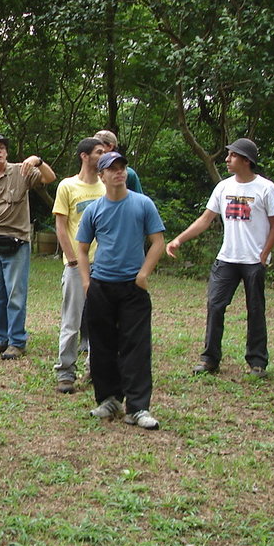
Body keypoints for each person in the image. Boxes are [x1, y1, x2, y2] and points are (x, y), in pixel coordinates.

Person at [166, 138, 274, 378]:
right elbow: (206, 219)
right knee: (215, 305)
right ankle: (210, 359)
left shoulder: (265, 188)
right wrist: (179, 239)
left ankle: (257, 362)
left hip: (253, 261)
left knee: (256, 310)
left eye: (232, 156)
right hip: (227, 258)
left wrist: (264, 254)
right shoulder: (223, 187)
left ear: (246, 160)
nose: (227, 160)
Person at [76, 152, 165, 430]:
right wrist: (87, 282)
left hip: (132, 288)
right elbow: (81, 248)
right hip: (101, 285)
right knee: (102, 346)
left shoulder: (142, 204)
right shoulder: (94, 209)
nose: (118, 173)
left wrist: (143, 274)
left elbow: (158, 242)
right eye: (111, 169)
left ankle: (138, 408)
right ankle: (109, 400)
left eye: (122, 168)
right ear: (101, 175)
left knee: (136, 346)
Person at [0, 133, 56, 359]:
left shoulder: (21, 170)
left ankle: (17, 341)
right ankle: (2, 339)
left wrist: (37, 160)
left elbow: (49, 177)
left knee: (15, 293)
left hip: (18, 240)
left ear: (6, 152)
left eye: (1, 147)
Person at [52, 137, 106, 394]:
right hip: (76, 264)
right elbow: (61, 225)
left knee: (101, 320)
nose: (103, 155)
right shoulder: (67, 186)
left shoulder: (107, 188)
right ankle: (65, 371)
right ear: (84, 156)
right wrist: (71, 258)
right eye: (98, 152)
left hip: (104, 265)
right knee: (71, 320)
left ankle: (96, 368)